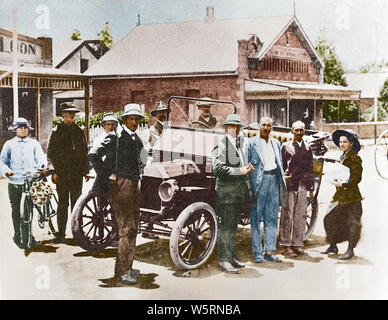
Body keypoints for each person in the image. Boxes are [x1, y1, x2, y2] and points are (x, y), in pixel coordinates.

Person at [89, 103, 147, 285]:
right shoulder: (117, 137)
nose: (134, 122)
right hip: (121, 185)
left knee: (133, 228)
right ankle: (122, 272)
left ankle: (127, 267)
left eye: (137, 119)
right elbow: (93, 155)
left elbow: (142, 154)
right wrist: (108, 174)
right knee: (126, 229)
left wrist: (141, 163)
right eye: (131, 119)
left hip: (134, 183)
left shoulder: (135, 138)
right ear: (124, 120)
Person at [212, 114, 254, 274]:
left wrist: (246, 170)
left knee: (232, 227)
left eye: (237, 127)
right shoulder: (222, 145)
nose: (235, 129)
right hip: (226, 195)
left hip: (235, 194)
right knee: (226, 228)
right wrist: (241, 170)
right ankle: (224, 260)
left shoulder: (235, 145)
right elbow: (219, 169)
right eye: (232, 126)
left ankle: (231, 258)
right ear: (225, 128)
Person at [244, 116, 286, 263]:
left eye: (269, 125)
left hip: (273, 180)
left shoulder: (276, 143)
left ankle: (269, 251)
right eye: (263, 125)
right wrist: (250, 189)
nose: (266, 128)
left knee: (272, 217)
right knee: (255, 218)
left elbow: (279, 163)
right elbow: (246, 166)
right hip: (258, 184)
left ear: (272, 127)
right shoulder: (251, 143)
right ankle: (257, 253)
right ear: (258, 126)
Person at [0, 117, 47, 249]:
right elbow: (2, 161)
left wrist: (42, 167)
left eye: (25, 127)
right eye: (20, 127)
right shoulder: (9, 144)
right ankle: (17, 235)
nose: (23, 130)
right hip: (14, 181)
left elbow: (40, 158)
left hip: (29, 182)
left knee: (28, 210)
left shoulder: (34, 144)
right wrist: (7, 171)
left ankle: (28, 236)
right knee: (16, 209)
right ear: (15, 130)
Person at [47, 102, 89, 244]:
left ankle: (77, 233)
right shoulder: (56, 131)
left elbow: (84, 152)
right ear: (63, 115)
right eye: (68, 114)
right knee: (63, 203)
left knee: (77, 204)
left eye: (73, 114)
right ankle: (61, 234)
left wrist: (86, 170)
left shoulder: (79, 130)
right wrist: (53, 171)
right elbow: (50, 153)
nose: (71, 117)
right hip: (62, 174)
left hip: (76, 174)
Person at [322, 129, 363, 260]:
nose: (342, 144)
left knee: (353, 223)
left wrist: (344, 184)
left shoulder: (355, 158)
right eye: (340, 142)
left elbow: (357, 178)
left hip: (352, 196)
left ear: (351, 143)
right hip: (340, 195)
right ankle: (333, 246)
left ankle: (350, 250)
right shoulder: (343, 156)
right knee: (329, 218)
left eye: (345, 142)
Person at [279, 121, 314, 257]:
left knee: (301, 214)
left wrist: (310, 188)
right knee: (287, 214)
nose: (299, 133)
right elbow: (281, 166)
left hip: (303, 184)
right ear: (292, 131)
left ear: (304, 131)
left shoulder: (308, 148)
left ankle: (298, 244)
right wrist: (283, 180)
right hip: (290, 185)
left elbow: (310, 168)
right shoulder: (286, 147)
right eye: (297, 130)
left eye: (302, 130)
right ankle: (285, 245)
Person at [89, 113, 118, 192]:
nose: (110, 127)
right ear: (103, 125)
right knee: (100, 195)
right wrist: (104, 173)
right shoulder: (99, 139)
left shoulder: (117, 137)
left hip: (115, 171)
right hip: (103, 173)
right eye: (108, 124)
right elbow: (94, 156)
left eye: (113, 124)